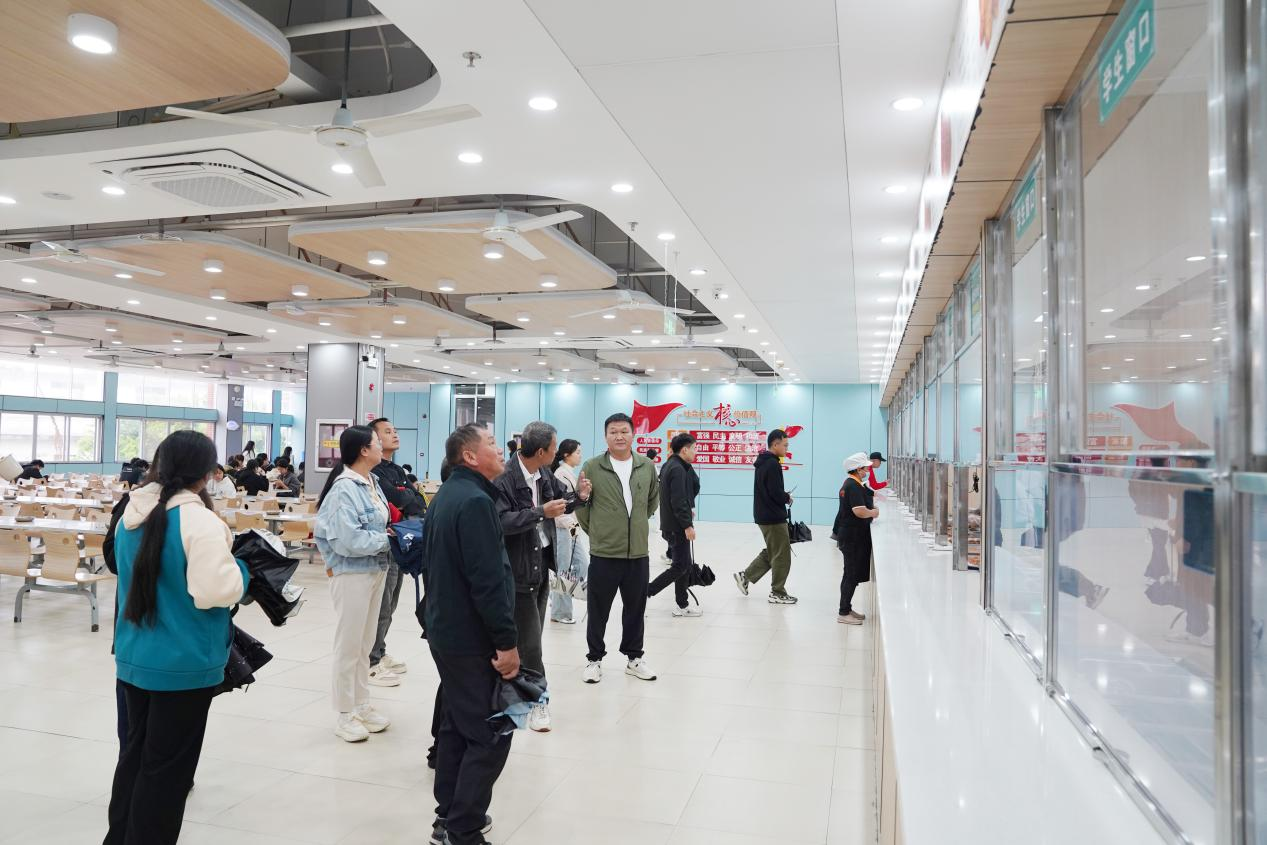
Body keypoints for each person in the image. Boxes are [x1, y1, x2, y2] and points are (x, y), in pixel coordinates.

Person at [105, 430, 248, 845]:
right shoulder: (199, 521)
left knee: (134, 760)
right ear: (206, 473)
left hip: (134, 655)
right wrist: (242, 570)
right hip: (183, 665)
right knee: (167, 774)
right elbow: (214, 591)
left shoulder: (132, 513)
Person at [423, 425, 517, 845]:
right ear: (470, 456)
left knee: (456, 725)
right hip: (471, 637)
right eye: (492, 444)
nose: (500, 449)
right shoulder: (476, 502)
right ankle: (463, 829)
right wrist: (506, 642)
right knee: (490, 732)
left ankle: (448, 815)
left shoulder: (449, 494)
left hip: (445, 630)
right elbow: (488, 581)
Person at [492, 421, 588, 733]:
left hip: (540, 563)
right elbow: (501, 521)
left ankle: (518, 693)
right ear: (541, 451)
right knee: (530, 643)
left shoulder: (543, 473)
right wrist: (539, 513)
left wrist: (580, 497)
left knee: (532, 635)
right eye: (555, 447)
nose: (558, 452)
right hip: (517, 569)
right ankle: (537, 701)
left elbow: (560, 500)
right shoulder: (505, 478)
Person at [314, 426, 394, 742]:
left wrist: (388, 538)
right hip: (351, 573)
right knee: (348, 646)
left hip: (375, 569)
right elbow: (348, 540)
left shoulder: (372, 482)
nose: (382, 446)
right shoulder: (343, 489)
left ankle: (361, 704)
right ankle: (344, 713)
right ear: (363, 450)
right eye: (377, 442)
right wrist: (388, 541)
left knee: (364, 644)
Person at [575, 413, 660, 684]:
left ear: (633, 434)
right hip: (604, 553)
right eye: (613, 432)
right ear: (605, 436)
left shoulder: (646, 465)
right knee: (598, 609)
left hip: (638, 553)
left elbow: (652, 501)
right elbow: (582, 505)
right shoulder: (592, 466)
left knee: (635, 609)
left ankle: (634, 659)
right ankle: (594, 659)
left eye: (624, 431)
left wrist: (635, 526)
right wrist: (599, 532)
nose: (619, 436)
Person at [367, 417, 428, 686]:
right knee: (381, 605)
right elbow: (401, 497)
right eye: (387, 431)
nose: (395, 435)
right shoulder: (374, 472)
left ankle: (380, 651)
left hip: (402, 541)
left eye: (395, 430)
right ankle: (371, 660)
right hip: (384, 541)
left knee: (391, 603)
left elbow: (417, 500)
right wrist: (405, 496)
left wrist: (405, 496)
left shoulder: (397, 470)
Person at [733, 429, 797, 604]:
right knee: (782, 555)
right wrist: (787, 497)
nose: (787, 448)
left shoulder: (763, 462)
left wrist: (782, 495)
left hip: (764, 514)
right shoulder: (772, 464)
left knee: (774, 550)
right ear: (775, 444)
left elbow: (769, 490)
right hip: (773, 516)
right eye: (785, 445)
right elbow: (775, 492)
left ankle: (745, 576)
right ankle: (777, 592)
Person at [648, 433, 702, 617]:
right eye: (694, 448)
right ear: (684, 450)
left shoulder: (670, 465)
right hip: (677, 526)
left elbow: (684, 493)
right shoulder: (678, 469)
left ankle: (682, 604)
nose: (695, 452)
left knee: (684, 565)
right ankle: (646, 592)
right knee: (680, 566)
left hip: (671, 524)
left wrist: (687, 511)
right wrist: (687, 525)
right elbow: (678, 500)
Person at [834, 453, 877, 625]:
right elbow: (859, 511)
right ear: (858, 470)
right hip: (852, 537)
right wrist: (874, 512)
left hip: (851, 535)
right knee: (850, 574)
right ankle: (843, 613)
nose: (867, 471)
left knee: (850, 573)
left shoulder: (852, 484)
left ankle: (847, 607)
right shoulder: (852, 486)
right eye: (865, 468)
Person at [550, 439, 589, 625]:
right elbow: (559, 509)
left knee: (582, 564)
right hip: (562, 528)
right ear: (567, 454)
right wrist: (573, 527)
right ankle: (560, 612)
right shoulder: (560, 474)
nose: (580, 455)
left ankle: (557, 594)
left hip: (571, 528)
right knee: (564, 571)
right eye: (578, 452)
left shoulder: (569, 473)